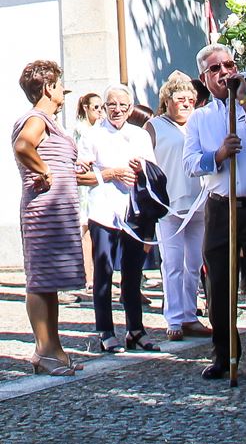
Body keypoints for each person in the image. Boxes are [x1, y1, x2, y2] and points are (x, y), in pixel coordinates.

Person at [184, 45, 246, 382]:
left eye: (229, 65)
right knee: (218, 282)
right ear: (204, 77)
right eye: (216, 69)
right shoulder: (200, 118)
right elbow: (190, 164)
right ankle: (224, 354)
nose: (225, 72)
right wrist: (219, 155)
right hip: (222, 206)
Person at [12, 61, 86, 375]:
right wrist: (44, 171)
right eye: (59, 85)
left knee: (50, 282)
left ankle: (55, 350)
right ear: (48, 88)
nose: (63, 92)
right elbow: (23, 145)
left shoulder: (47, 120)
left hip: (55, 211)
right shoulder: (37, 118)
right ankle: (44, 351)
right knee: (41, 281)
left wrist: (73, 171)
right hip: (43, 211)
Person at [80, 84, 158, 354]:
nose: (117, 110)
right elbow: (80, 174)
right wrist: (111, 173)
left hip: (133, 211)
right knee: (104, 271)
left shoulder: (139, 135)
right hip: (103, 211)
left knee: (133, 272)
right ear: (104, 106)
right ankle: (105, 331)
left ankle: (135, 330)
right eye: (112, 105)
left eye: (123, 106)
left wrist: (141, 168)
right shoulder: (92, 135)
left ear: (130, 107)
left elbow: (152, 169)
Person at [145, 72, 210, 342]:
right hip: (169, 204)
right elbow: (146, 162)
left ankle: (189, 314)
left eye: (191, 100)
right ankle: (173, 318)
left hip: (198, 201)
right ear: (167, 101)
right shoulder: (154, 126)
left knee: (193, 262)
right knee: (172, 263)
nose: (186, 104)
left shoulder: (198, 123)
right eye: (180, 99)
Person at [73, 92, 103, 296]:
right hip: (83, 185)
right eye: (96, 108)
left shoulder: (100, 129)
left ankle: (91, 274)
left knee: (90, 230)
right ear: (86, 108)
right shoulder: (79, 129)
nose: (100, 112)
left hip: (96, 183)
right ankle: (87, 276)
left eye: (102, 107)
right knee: (83, 229)